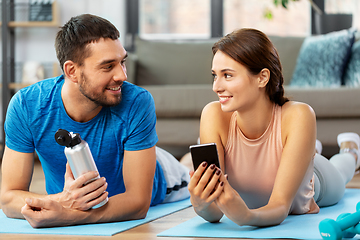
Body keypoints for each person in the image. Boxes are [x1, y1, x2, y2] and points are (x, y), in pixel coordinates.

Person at [0, 14, 190, 228]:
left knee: (191, 172)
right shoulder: (27, 106)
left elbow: (138, 203)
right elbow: (7, 198)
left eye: (122, 62)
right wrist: (62, 201)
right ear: (72, 71)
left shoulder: (137, 101)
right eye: (108, 66)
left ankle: (187, 161)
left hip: (165, 178)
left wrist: (68, 214)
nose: (122, 75)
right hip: (77, 196)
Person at [187, 28, 360, 227]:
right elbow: (215, 212)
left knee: (341, 171)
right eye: (215, 75)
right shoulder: (212, 115)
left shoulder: (298, 115)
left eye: (227, 75)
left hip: (316, 181)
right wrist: (201, 205)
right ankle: (307, 148)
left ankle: (351, 150)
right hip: (284, 153)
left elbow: (280, 206)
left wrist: (247, 217)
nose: (216, 87)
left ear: (262, 77)